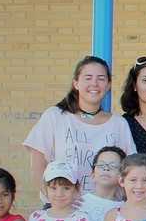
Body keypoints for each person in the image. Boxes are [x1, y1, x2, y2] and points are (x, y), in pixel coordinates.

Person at [24, 55, 135, 201]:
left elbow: (130, 168)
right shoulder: (55, 116)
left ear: (108, 85)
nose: (94, 83)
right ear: (76, 83)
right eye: (88, 78)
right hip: (64, 210)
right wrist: (54, 200)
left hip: (106, 210)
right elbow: (38, 164)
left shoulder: (119, 124)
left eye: (101, 78)